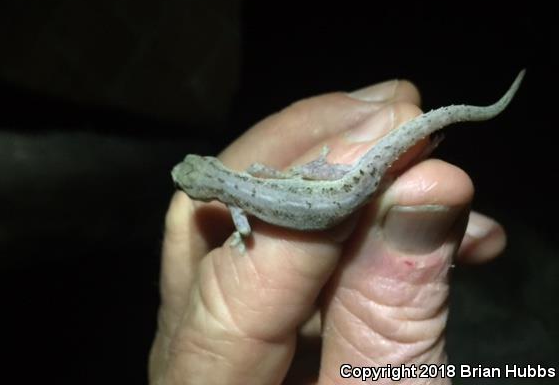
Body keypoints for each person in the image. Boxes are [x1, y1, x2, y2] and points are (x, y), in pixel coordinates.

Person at [149, 77, 506, 384]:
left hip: (342, 201)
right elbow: (262, 173)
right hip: (340, 190)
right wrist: (308, 170)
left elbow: (243, 230)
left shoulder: (237, 209)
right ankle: (424, 147)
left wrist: (240, 240)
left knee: (386, 186)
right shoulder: (241, 179)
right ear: (212, 168)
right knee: (379, 179)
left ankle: (424, 148)